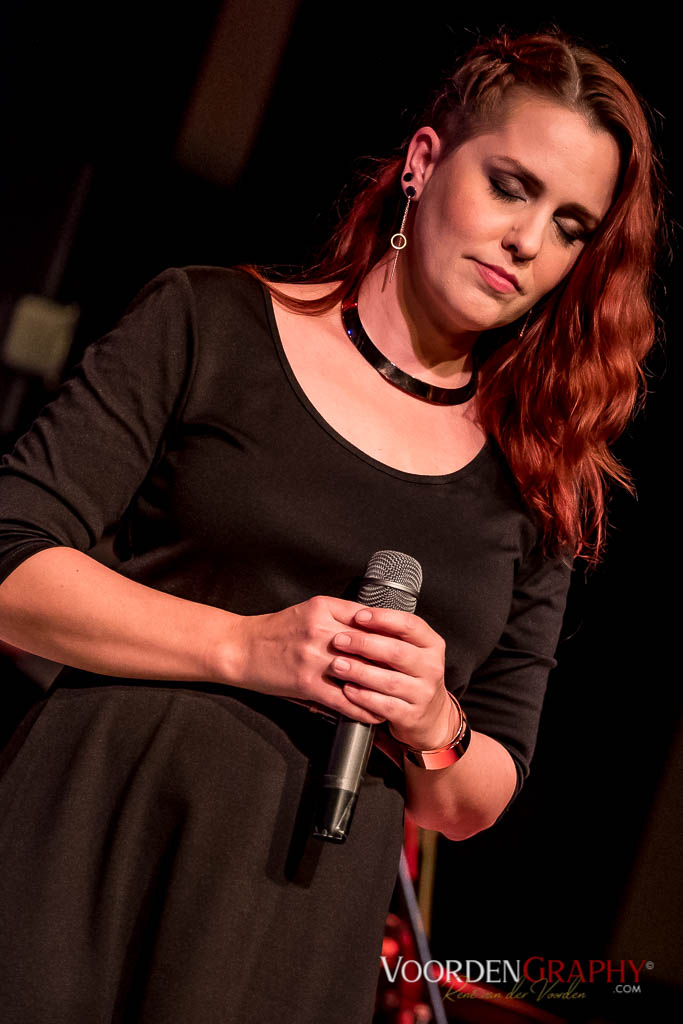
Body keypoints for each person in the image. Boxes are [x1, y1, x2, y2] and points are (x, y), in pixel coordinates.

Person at [0, 27, 665, 1024]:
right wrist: (246, 647)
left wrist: (433, 720)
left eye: (569, 225)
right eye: (510, 187)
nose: (528, 242)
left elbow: (476, 796)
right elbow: (11, 564)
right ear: (424, 161)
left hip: (301, 917)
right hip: (97, 835)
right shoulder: (210, 324)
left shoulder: (534, 481)